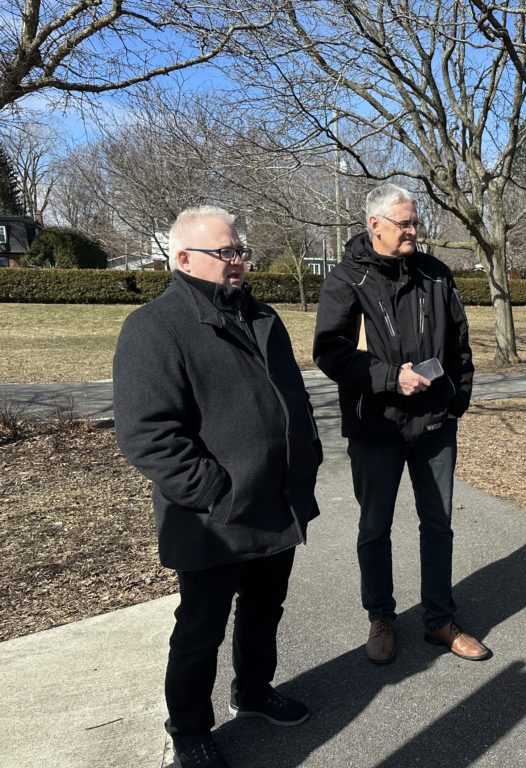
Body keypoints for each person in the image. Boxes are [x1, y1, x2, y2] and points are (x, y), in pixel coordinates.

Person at [113, 206, 322, 768]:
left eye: (239, 251)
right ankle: (188, 729)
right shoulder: (154, 327)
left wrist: (306, 456)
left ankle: (253, 690)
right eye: (224, 252)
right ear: (183, 258)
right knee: (200, 629)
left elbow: (292, 398)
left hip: (276, 502)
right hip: (212, 517)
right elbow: (147, 435)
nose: (238, 261)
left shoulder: (262, 317)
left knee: (265, 608)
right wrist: (217, 492)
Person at [313, 183, 490, 664]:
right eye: (404, 223)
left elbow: (459, 344)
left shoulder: (436, 274)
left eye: (416, 222)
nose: (414, 230)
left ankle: (440, 620)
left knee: (438, 525)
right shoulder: (346, 279)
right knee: (375, 527)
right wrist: (391, 378)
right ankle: (381, 617)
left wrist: (456, 401)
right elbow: (330, 353)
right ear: (375, 224)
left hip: (435, 425)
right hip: (376, 427)